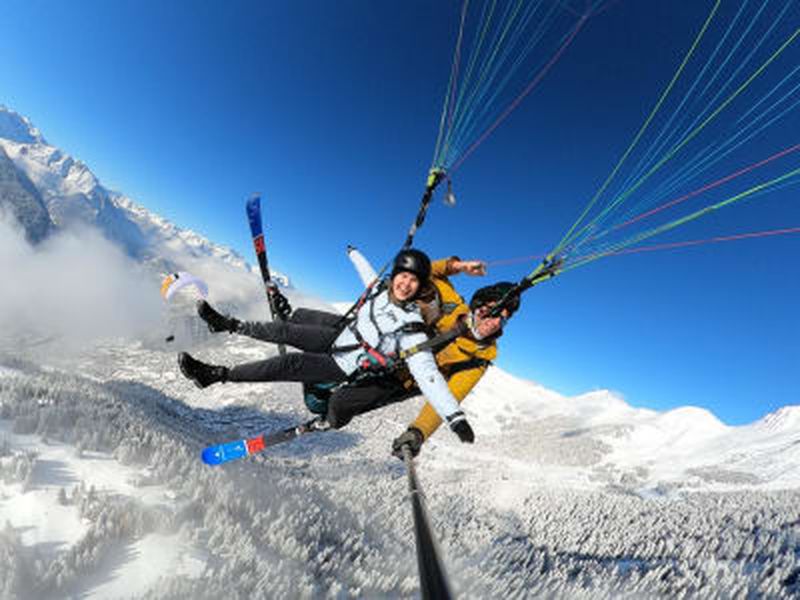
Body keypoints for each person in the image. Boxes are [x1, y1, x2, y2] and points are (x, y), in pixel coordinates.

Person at [177, 248, 475, 444]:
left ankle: (215, 375)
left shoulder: (412, 329)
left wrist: (455, 417)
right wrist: (354, 253)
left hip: (343, 364)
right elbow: (367, 274)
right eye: (403, 276)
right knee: (285, 329)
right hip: (338, 339)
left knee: (289, 364)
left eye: (414, 281)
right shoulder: (382, 292)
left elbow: (428, 376)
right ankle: (227, 324)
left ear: (420, 288)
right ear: (396, 275)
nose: (406, 284)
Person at [319, 255, 520, 457]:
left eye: (503, 320)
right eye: (492, 312)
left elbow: (449, 396)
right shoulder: (453, 306)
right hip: (386, 343)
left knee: (340, 402)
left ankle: (329, 417)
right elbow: (425, 273)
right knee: (315, 324)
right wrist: (459, 266)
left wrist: (418, 432)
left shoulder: (477, 360)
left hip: (398, 380)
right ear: (477, 305)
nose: (495, 323)